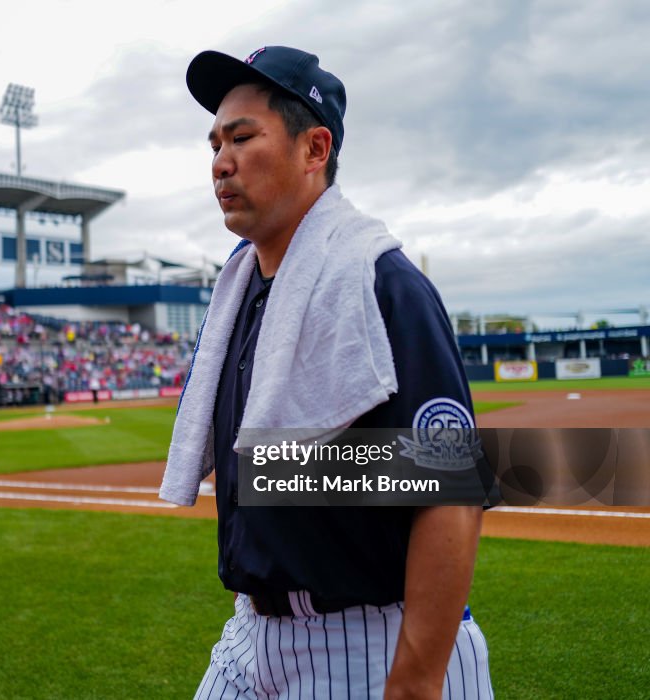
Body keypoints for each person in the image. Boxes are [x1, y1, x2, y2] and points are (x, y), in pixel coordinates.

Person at [160, 46, 493, 698]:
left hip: (371, 640)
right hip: (252, 635)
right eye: (214, 143)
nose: (220, 162)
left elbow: (449, 486)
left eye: (242, 137)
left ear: (315, 149)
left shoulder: (378, 280)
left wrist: (417, 680)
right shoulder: (242, 291)